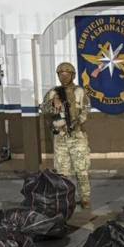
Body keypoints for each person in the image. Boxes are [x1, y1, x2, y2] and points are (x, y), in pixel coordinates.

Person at [41, 61, 92, 208]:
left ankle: (85, 198)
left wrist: (77, 122)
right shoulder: (53, 92)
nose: (64, 77)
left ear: (73, 75)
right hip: (60, 137)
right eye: (61, 74)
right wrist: (53, 102)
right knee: (62, 171)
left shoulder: (80, 92)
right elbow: (43, 108)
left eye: (67, 74)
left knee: (81, 169)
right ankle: (65, 199)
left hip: (77, 136)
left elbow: (86, 110)